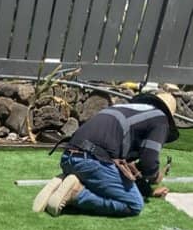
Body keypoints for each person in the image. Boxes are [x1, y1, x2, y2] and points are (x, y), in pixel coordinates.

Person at [32, 90, 178, 217]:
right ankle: (76, 193)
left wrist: (147, 191)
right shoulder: (160, 119)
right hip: (92, 160)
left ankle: (65, 182)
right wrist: (153, 175)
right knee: (134, 204)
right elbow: (149, 161)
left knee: (104, 177)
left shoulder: (124, 108)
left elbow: (125, 169)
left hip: (68, 157)